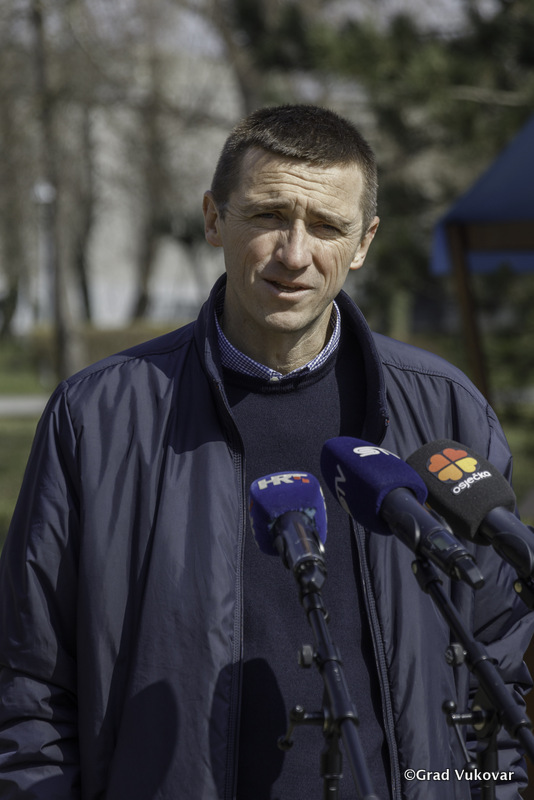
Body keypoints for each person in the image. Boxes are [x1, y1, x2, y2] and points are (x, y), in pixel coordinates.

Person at [0, 104, 532, 800]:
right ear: (213, 219)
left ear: (364, 242)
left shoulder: (448, 411)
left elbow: (499, 669)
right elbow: (31, 687)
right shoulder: (95, 418)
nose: (295, 253)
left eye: (328, 226)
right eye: (269, 216)